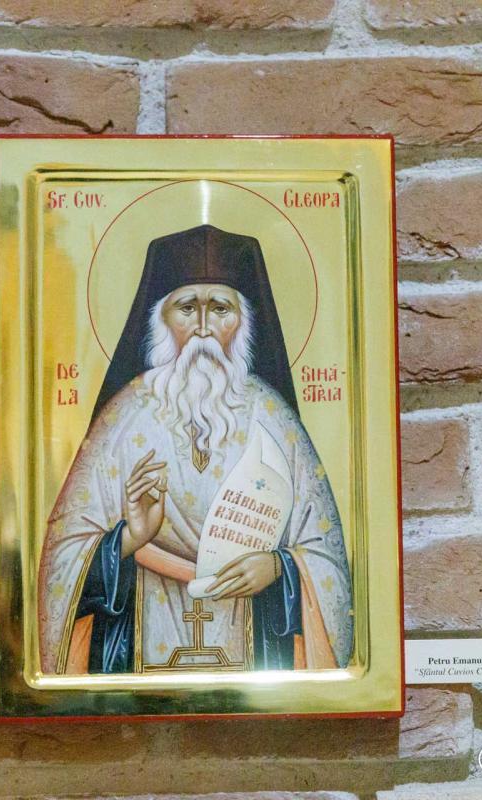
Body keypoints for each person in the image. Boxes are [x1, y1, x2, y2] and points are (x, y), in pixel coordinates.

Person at [38, 224, 352, 675]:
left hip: (256, 645)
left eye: (220, 308)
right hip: (136, 649)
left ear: (242, 322)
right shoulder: (124, 417)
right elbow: (63, 559)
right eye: (187, 308)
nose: (203, 327)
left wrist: (279, 568)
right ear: (160, 320)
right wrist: (130, 538)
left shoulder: (272, 416)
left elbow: (324, 556)